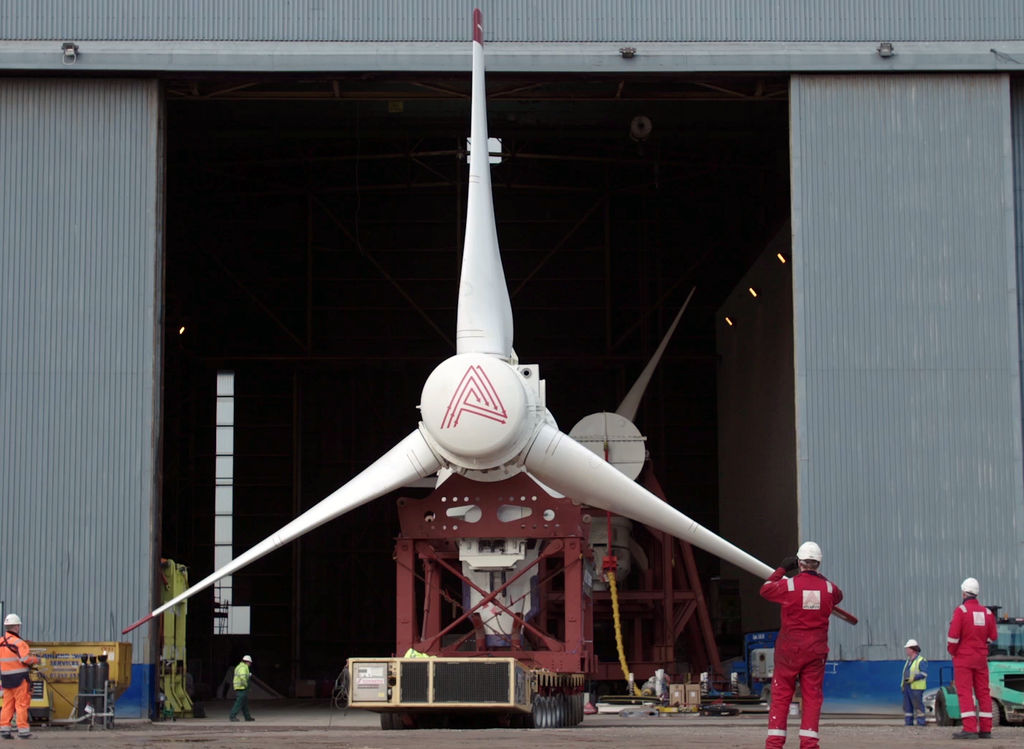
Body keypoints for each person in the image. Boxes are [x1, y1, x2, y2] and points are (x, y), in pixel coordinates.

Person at [759, 541, 843, 749]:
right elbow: (838, 597)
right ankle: (809, 743)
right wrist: (818, 580)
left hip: (790, 649)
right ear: (818, 564)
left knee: (781, 695)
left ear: (799, 562)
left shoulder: (789, 585)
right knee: (812, 697)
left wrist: (782, 569)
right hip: (816, 650)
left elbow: (766, 590)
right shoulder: (830, 589)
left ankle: (775, 744)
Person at [947, 577, 997, 740]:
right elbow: (993, 636)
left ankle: (970, 728)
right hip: (981, 659)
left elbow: (953, 637)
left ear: (964, 592)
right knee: (983, 692)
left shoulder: (961, 611)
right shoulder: (988, 613)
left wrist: (953, 651)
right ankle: (986, 729)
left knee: (965, 692)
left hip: (964, 658)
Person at [0, 613, 41, 740]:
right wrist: (36, 660)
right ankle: (23, 731)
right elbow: (25, 659)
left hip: (6, 679)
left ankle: (4, 730)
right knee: (21, 705)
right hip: (20, 679)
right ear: (17, 627)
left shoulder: (1, 641)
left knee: (7, 705)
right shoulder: (20, 643)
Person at [900, 638, 927, 726]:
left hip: (916, 688)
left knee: (918, 706)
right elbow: (905, 674)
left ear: (912, 649)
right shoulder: (908, 661)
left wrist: (913, 678)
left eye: (907, 649)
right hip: (908, 687)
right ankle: (908, 724)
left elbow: (924, 674)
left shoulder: (921, 660)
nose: (906, 651)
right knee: (907, 707)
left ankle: (921, 723)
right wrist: (903, 685)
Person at [228, 655, 255, 722]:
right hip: (241, 687)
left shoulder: (239, 666)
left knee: (244, 703)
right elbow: (243, 677)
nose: (250, 664)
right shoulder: (243, 667)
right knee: (239, 703)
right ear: (247, 662)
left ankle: (247, 717)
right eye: (250, 662)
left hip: (240, 687)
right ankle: (232, 716)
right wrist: (246, 685)